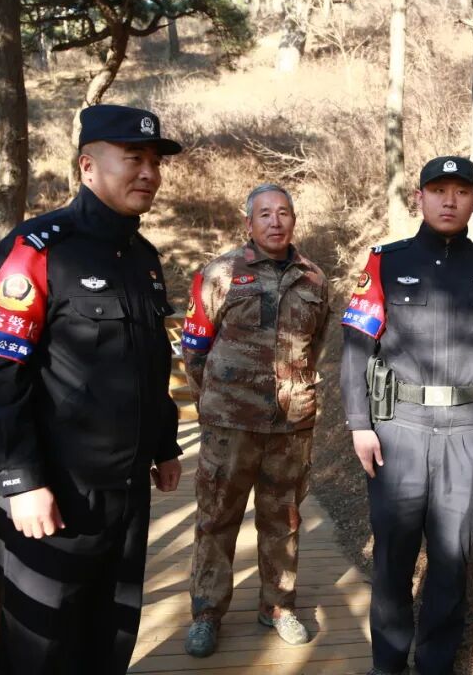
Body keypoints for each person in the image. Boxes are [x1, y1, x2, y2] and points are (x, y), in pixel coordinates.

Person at [0, 104, 184, 674]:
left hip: (127, 493)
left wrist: (164, 444)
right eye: (133, 158)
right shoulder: (38, 249)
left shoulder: (144, 259)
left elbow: (149, 362)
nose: (149, 173)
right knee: (39, 649)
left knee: (110, 638)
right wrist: (21, 479)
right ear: (88, 166)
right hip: (55, 495)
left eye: (156, 161)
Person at [341, 156, 473, 675]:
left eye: (461, 191)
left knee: (451, 565)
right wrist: (359, 423)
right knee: (392, 560)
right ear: (419, 198)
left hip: (468, 435)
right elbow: (355, 348)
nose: (450, 200)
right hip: (397, 432)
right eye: (439, 190)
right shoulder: (385, 262)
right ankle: (387, 664)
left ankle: (436, 665)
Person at [181, 183, 330, 657]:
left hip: (290, 426)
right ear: (248, 222)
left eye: (283, 212)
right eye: (264, 213)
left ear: (294, 220)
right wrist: (215, 398)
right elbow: (195, 348)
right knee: (216, 518)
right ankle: (206, 612)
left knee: (283, 519)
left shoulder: (314, 279)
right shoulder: (220, 273)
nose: (274, 221)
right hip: (229, 425)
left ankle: (278, 606)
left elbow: (316, 344)